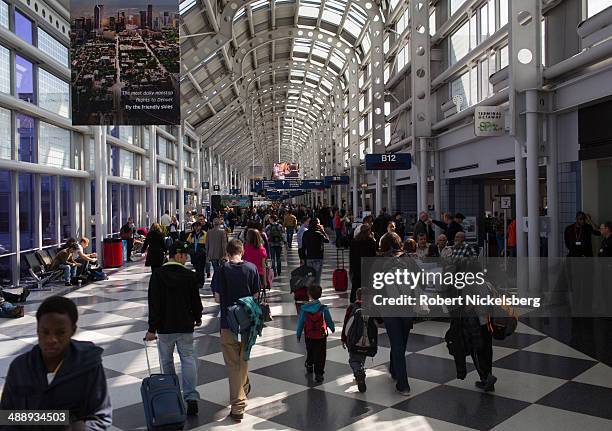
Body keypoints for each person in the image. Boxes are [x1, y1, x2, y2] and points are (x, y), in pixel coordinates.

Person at [1, 296, 112, 429]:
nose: (51, 339)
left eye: (60, 333)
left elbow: (101, 416)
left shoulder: (88, 364)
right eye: (45, 332)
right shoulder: (20, 368)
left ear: (73, 330)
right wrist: (59, 418)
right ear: (37, 330)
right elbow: (7, 417)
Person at [145, 241, 203, 416]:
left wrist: (152, 328)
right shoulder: (189, 276)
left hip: (164, 327)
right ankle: (191, 397)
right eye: (185, 256)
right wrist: (198, 317)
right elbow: (195, 301)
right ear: (178, 255)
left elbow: (154, 303)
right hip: (185, 325)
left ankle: (172, 394)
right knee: (188, 359)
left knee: (167, 361)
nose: (186, 259)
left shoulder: (158, 275)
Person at [210, 240, 261, 422]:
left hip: (227, 324)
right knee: (243, 361)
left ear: (227, 252)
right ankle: (244, 383)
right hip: (247, 324)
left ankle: (238, 406)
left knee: (233, 364)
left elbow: (217, 298)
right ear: (242, 251)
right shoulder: (252, 268)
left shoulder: (221, 270)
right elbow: (256, 296)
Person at [379, 232, 414, 395]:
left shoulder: (380, 261)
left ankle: (403, 383)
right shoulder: (408, 258)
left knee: (397, 343)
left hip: (389, 307)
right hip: (407, 306)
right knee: (401, 342)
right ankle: (394, 369)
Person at [341, 287, 382, 393]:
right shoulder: (372, 308)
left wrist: (344, 338)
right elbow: (380, 320)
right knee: (362, 356)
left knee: (353, 359)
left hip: (354, 340)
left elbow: (347, 323)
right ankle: (360, 370)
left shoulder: (352, 307)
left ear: (357, 297)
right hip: (368, 342)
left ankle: (358, 372)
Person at [296, 284, 335, 382]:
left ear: (309, 295)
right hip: (321, 335)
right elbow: (329, 320)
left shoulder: (304, 308)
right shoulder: (323, 308)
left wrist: (298, 334)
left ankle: (309, 364)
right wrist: (332, 328)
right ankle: (319, 374)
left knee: (310, 351)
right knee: (321, 354)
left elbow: (301, 322)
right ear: (320, 295)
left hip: (309, 335)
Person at [349, 224, 377, 303]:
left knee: (355, 285)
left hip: (357, 267)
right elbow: (373, 256)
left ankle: (353, 301)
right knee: (367, 285)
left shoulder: (354, 241)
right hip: (367, 267)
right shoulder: (371, 241)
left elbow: (351, 256)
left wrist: (352, 268)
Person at [302, 218, 330, 285]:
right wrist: (323, 231)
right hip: (318, 258)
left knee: (310, 278)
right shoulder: (319, 234)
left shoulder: (306, 233)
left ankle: (310, 293)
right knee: (317, 278)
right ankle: (316, 293)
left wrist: (302, 258)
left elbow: (303, 247)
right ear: (317, 225)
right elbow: (327, 240)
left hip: (309, 258)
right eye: (319, 223)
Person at [187, 222, 207, 287]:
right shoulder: (191, 234)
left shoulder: (204, 234)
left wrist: (206, 252)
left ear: (200, 227)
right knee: (196, 269)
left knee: (201, 269)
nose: (196, 227)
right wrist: (185, 249)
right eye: (195, 226)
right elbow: (186, 243)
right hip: (194, 254)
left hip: (201, 254)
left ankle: (201, 282)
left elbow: (207, 244)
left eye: (198, 226)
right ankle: (197, 281)